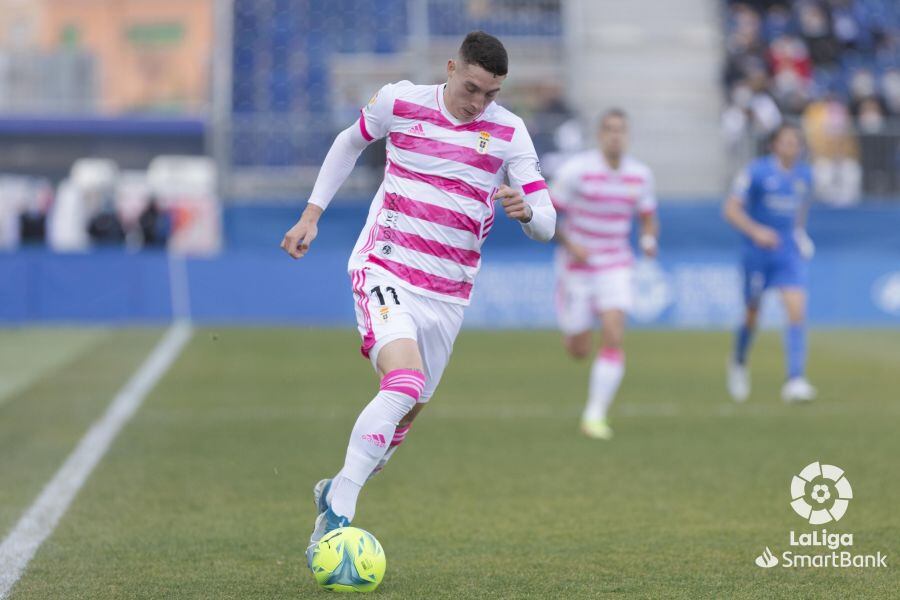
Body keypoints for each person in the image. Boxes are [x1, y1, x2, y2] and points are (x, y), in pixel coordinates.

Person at [280, 31, 556, 563]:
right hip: (385, 265)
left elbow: (547, 221)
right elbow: (348, 142)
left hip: (448, 294)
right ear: (452, 68)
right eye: (472, 88)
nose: (479, 103)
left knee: (406, 414)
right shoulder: (399, 101)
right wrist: (311, 214)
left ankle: (337, 484)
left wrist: (529, 215)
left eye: (491, 94)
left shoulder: (509, 132)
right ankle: (338, 512)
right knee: (402, 380)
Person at [550, 109, 658, 440]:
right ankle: (575, 334)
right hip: (577, 268)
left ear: (627, 135)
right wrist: (570, 244)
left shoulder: (639, 175)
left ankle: (594, 415)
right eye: (609, 130)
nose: (615, 136)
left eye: (621, 130)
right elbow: (548, 214)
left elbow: (648, 215)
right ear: (600, 135)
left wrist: (649, 240)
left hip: (616, 264)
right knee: (578, 348)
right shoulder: (576, 171)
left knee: (614, 332)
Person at [723, 123, 817, 403]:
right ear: (774, 145)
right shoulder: (756, 172)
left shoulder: (805, 175)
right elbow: (730, 209)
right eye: (786, 142)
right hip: (757, 253)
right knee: (753, 314)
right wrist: (756, 231)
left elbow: (801, 209)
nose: (792, 147)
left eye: (796, 142)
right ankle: (738, 360)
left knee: (797, 309)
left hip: (787, 252)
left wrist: (800, 233)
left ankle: (795, 379)